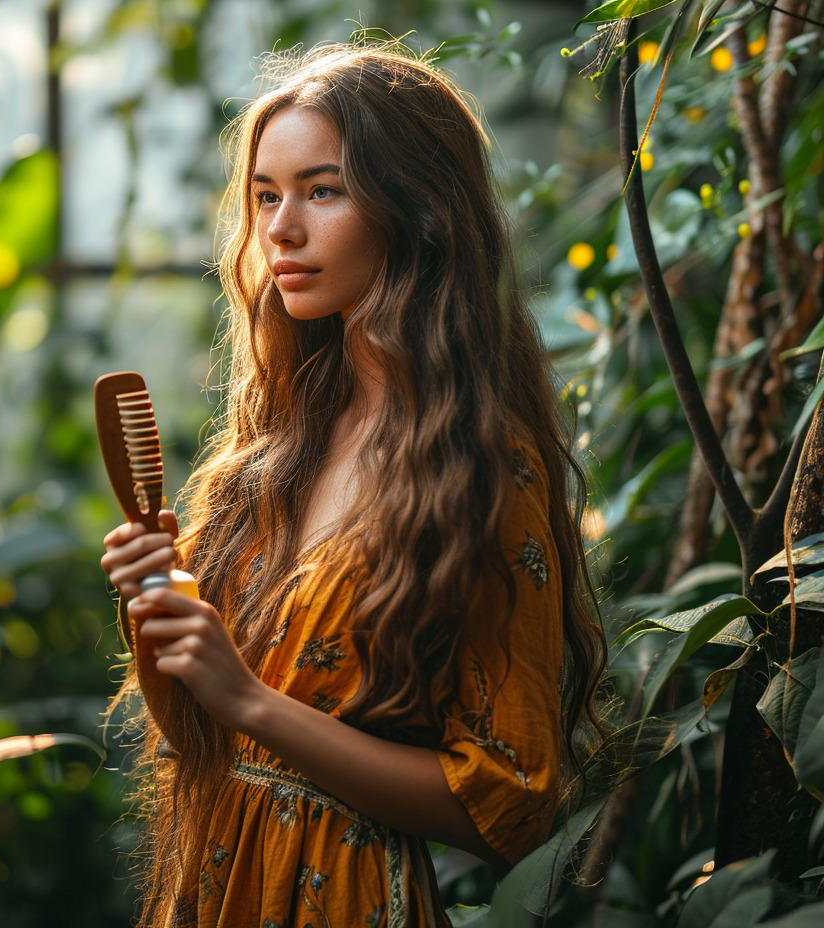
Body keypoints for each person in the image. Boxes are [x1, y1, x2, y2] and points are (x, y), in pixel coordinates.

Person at [100, 39, 605, 928]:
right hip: (212, 891)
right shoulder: (271, 449)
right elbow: (200, 740)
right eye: (265, 196)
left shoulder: (485, 470)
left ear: (418, 209)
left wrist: (249, 697)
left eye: (322, 190)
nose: (280, 230)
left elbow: (511, 804)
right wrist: (161, 622)